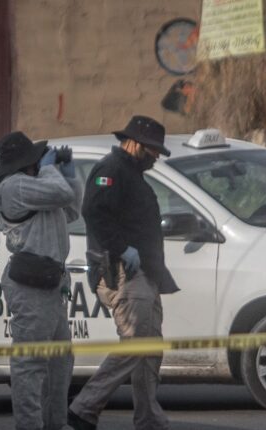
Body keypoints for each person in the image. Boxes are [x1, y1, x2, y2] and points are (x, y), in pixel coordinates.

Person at [68, 115, 179, 430]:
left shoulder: (130, 174)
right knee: (135, 344)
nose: (156, 156)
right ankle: (84, 407)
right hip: (123, 274)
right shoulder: (111, 171)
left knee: (149, 347)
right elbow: (93, 212)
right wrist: (121, 249)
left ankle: (148, 416)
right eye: (153, 150)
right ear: (135, 144)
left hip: (143, 274)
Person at [0, 131, 81, 430]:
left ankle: (55, 423)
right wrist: (53, 169)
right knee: (31, 365)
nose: (42, 161)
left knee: (59, 363)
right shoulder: (14, 187)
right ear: (27, 162)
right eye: (38, 159)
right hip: (31, 287)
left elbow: (71, 210)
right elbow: (61, 194)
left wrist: (69, 174)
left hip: (50, 285)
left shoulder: (36, 187)